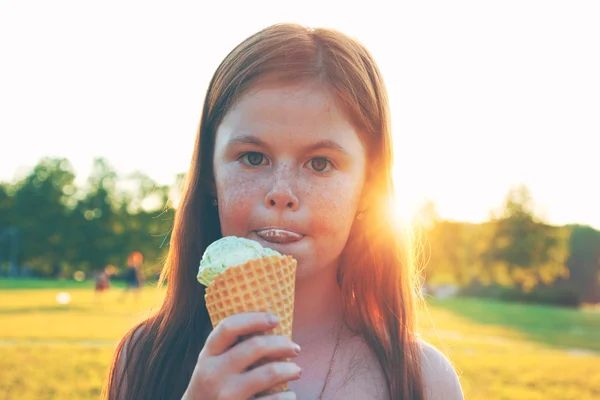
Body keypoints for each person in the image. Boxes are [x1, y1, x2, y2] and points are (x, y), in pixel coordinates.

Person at [103, 23, 464, 400]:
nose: (281, 193)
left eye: (320, 163)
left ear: (367, 187)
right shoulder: (146, 357)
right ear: (210, 174)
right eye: (253, 158)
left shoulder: (423, 380)